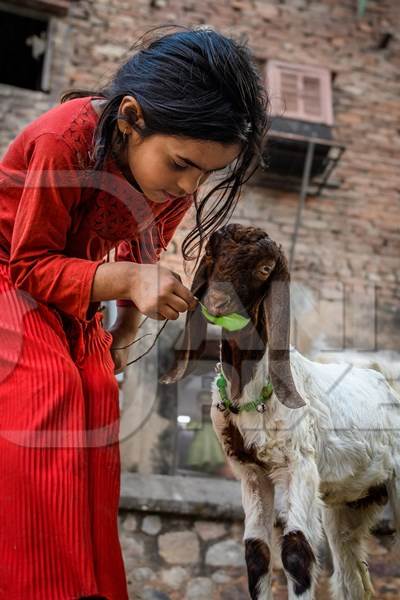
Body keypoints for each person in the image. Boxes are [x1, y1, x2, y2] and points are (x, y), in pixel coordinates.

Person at [0, 26, 268, 600]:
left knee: (98, 395)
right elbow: (29, 265)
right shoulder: (62, 139)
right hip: (12, 274)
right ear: (129, 118)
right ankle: (33, 586)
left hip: (71, 290)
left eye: (206, 174)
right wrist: (125, 280)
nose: (189, 185)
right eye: (181, 164)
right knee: (50, 391)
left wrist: (125, 327)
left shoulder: (173, 183)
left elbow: (140, 252)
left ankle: (84, 586)